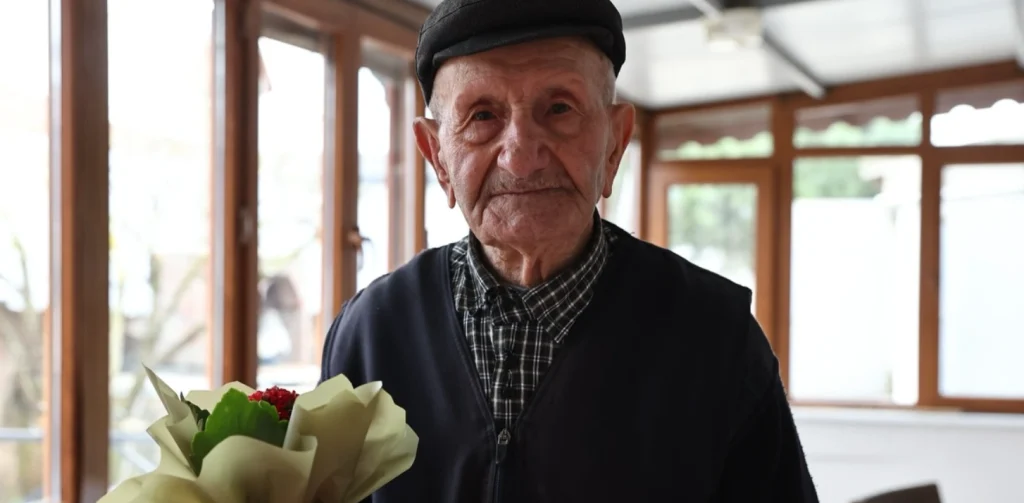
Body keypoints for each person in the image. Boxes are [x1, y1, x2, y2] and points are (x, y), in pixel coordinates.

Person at [319, 0, 819, 501]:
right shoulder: (371, 332)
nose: (520, 156)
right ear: (438, 158)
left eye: (559, 109)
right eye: (483, 115)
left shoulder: (717, 339)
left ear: (614, 144)